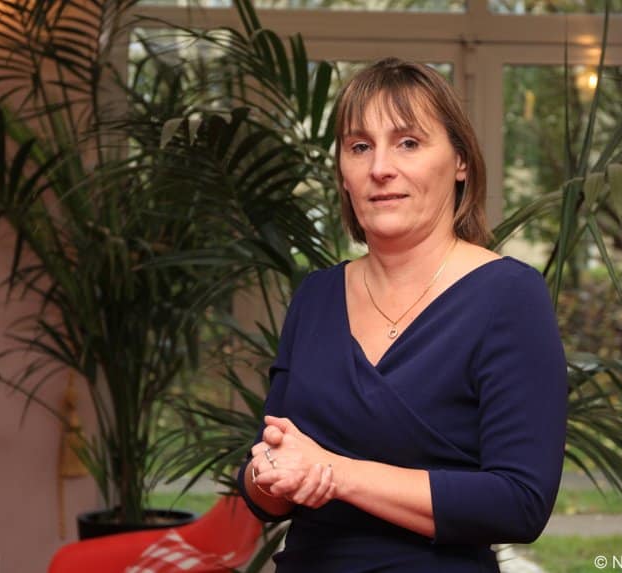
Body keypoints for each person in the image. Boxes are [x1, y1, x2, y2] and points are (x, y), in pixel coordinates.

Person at [235, 57, 567, 572]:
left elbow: (519, 503)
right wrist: (268, 473)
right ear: (343, 173)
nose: (380, 168)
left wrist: (337, 474)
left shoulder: (510, 295)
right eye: (359, 146)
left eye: (408, 142)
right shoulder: (316, 296)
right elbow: (266, 486)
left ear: (461, 161)